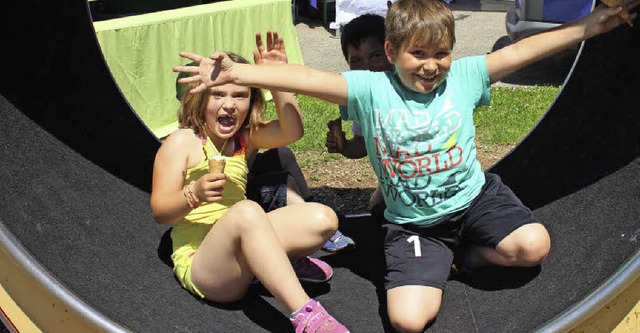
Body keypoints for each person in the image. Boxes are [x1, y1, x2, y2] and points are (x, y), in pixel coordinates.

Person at [174, 1, 637, 331]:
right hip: (416, 225)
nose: (432, 66)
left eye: (441, 53)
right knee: (408, 320)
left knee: (534, 245)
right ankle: (451, 255)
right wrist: (240, 74)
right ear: (392, 53)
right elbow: (308, 78)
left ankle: (470, 255)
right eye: (419, 54)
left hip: (474, 200)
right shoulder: (371, 90)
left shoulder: (465, 77)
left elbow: (519, 53)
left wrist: (589, 26)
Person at [152, 32, 349, 332]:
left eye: (239, 96)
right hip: (205, 264)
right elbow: (160, 211)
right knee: (247, 211)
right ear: (201, 98)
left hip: (241, 245)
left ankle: (269, 266)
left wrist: (277, 76)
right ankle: (307, 315)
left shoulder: (246, 140)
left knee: (324, 219)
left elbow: (292, 131)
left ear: (251, 102)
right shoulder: (182, 142)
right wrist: (194, 193)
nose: (229, 105)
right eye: (218, 94)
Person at [325, 13, 393, 219]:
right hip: (392, 177)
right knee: (376, 208)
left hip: (421, 172)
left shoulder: (406, 86)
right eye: (356, 60)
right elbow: (362, 145)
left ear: (391, 52)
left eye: (375, 56)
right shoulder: (361, 97)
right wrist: (344, 146)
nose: (366, 67)